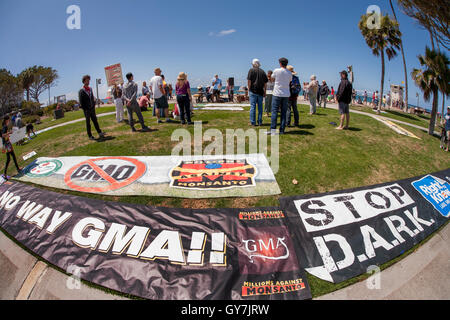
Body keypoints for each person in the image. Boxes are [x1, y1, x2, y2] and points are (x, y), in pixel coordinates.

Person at [268, 57, 292, 135]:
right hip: (286, 94)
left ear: (280, 63)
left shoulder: (276, 70)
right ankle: (282, 130)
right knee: (283, 113)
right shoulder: (289, 73)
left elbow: (271, 79)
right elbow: (289, 81)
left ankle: (273, 130)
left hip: (277, 93)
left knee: (274, 112)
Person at [78, 75, 105, 140]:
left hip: (92, 109)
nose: (88, 81)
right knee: (88, 123)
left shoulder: (90, 89)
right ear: (84, 81)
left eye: (89, 80)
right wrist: (85, 109)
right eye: (87, 80)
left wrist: (95, 104)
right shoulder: (81, 91)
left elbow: (92, 97)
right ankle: (90, 136)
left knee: (95, 121)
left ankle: (99, 132)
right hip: (87, 110)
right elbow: (81, 102)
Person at [247, 58, 268, 126]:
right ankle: (260, 122)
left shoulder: (251, 70)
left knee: (253, 107)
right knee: (260, 107)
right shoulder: (263, 71)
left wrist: (249, 89)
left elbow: (249, 81)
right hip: (260, 91)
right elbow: (265, 83)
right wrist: (265, 91)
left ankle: (253, 122)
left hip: (253, 91)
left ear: (253, 64)